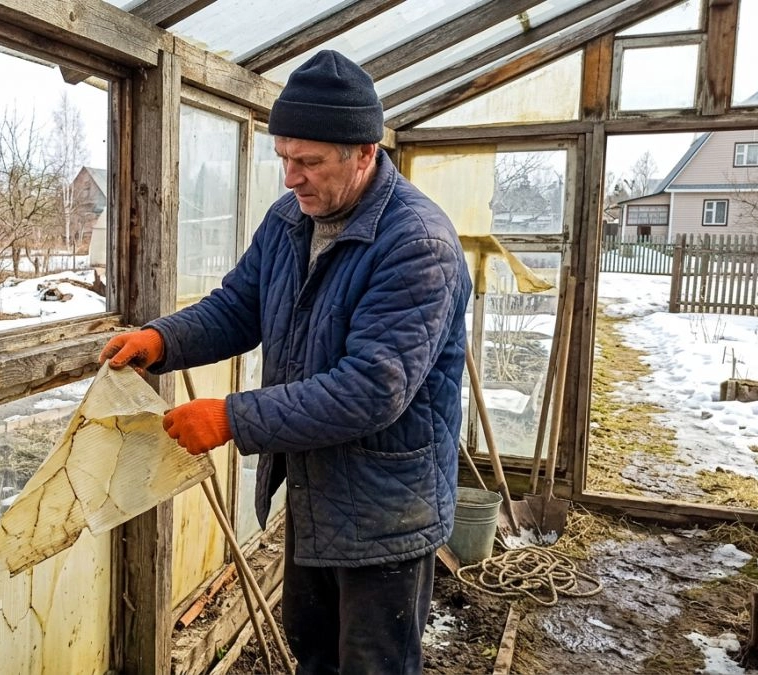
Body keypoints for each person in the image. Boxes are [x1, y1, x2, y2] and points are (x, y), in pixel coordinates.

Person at [100, 49, 471, 674]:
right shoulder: (289, 220)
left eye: (309, 162)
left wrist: (232, 418)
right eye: (283, 159)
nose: (291, 177)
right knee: (313, 650)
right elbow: (238, 307)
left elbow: (371, 389)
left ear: (364, 153)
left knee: (373, 663)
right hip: (316, 490)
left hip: (387, 509)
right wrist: (163, 341)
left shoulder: (417, 244)